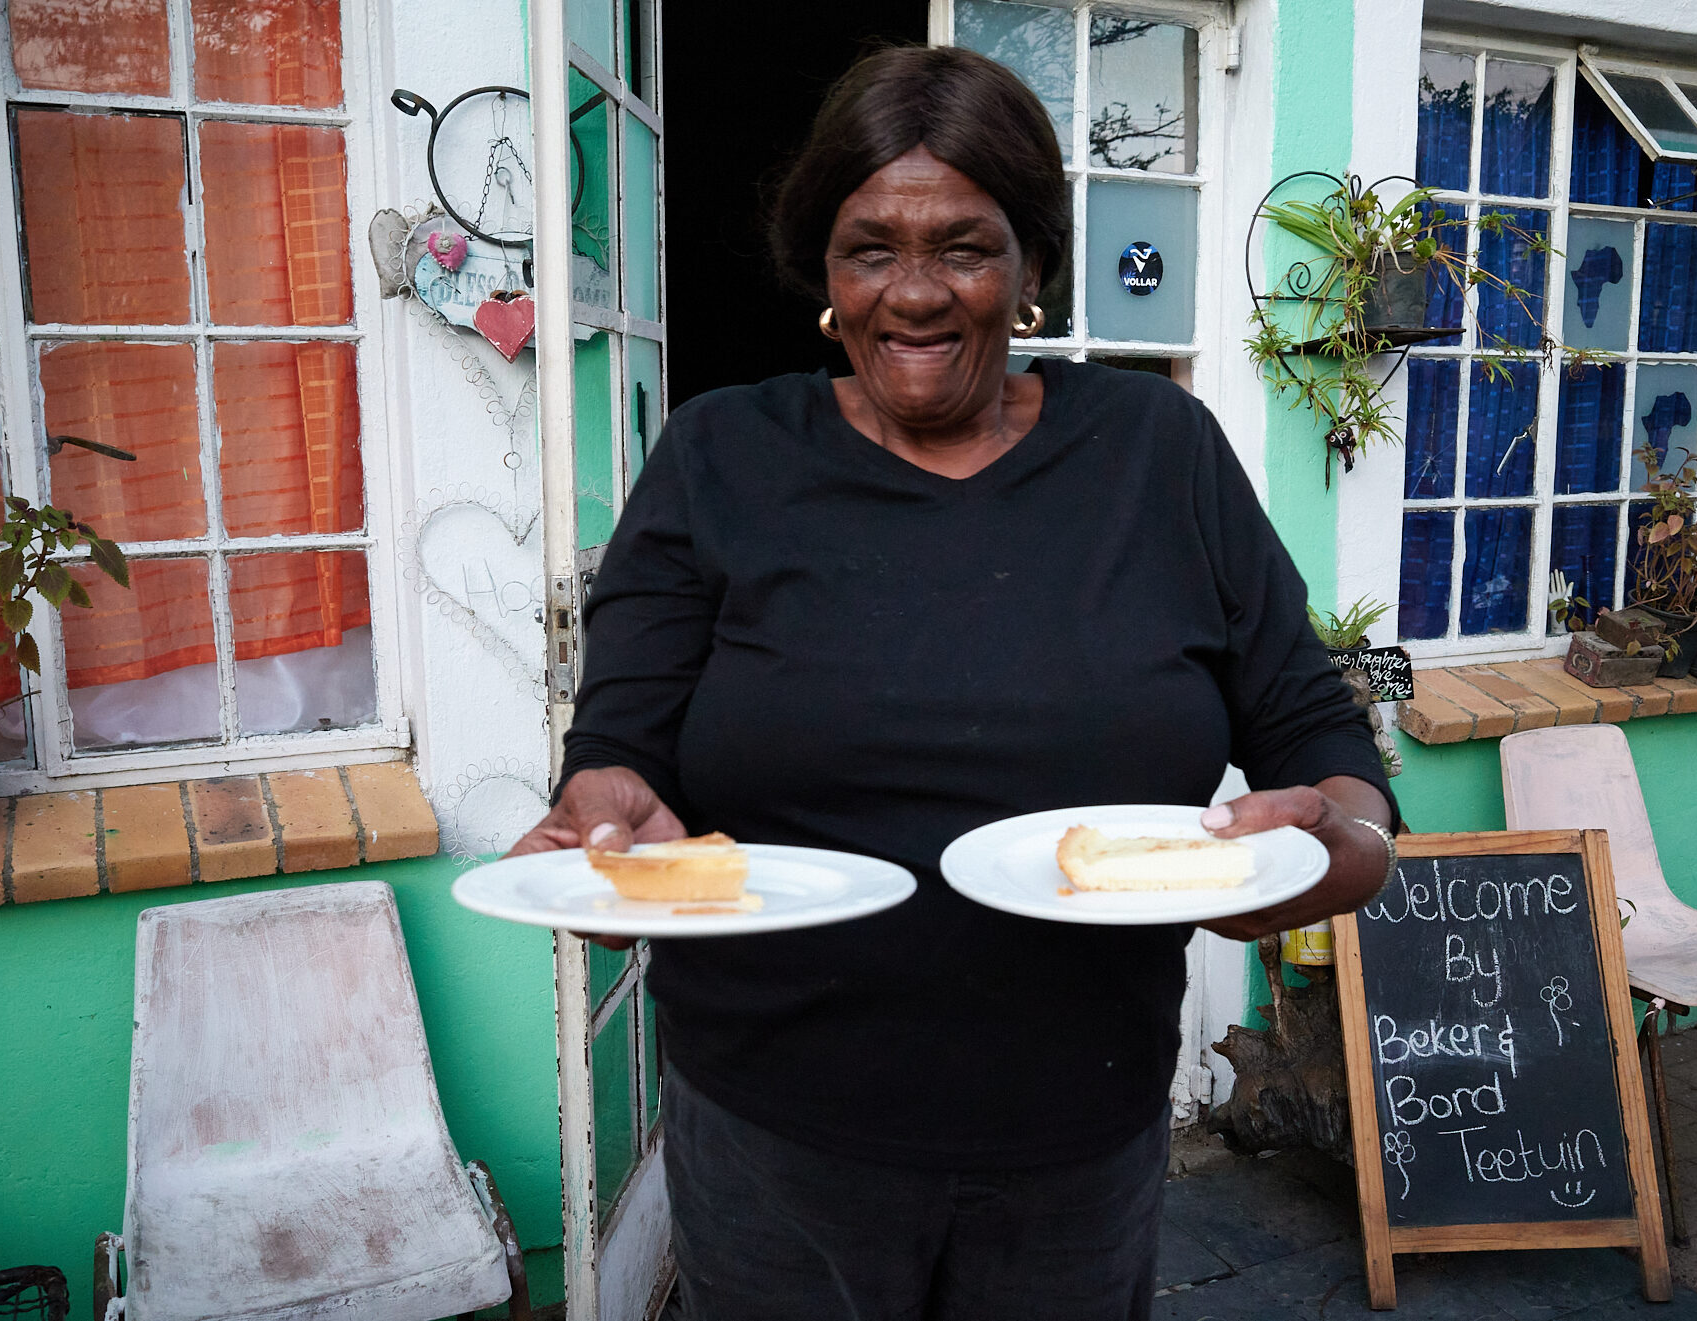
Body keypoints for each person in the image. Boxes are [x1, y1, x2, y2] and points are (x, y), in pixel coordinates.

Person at [508, 44, 1398, 1321]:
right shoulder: (722, 455)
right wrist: (604, 825)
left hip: (1076, 1142)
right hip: (774, 1139)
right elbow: (619, 745)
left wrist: (1332, 849)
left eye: (964, 248)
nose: (912, 294)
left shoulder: (1159, 455)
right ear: (822, 268)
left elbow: (1320, 741)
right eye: (869, 247)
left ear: (1031, 267)